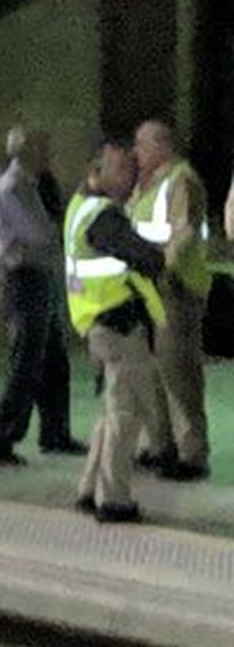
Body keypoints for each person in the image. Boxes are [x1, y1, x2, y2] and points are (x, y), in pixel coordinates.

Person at [65, 142, 167, 522]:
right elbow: (145, 256)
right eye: (122, 169)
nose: (130, 177)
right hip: (118, 325)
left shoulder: (79, 206)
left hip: (97, 323)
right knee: (128, 411)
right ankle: (115, 499)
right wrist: (158, 256)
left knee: (113, 409)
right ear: (99, 170)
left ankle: (89, 488)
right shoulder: (103, 215)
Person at [0, 127, 83, 465]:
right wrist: (59, 227)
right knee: (26, 361)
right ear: (26, 151)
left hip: (40, 277)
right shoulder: (12, 187)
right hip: (22, 279)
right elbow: (38, 232)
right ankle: (1, 438)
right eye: (43, 148)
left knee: (54, 358)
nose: (48, 155)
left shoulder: (36, 184)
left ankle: (55, 432)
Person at [129, 120, 211, 481]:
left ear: (161, 145)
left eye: (142, 145)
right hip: (149, 291)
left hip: (174, 290)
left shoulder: (181, 180)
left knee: (178, 372)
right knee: (154, 371)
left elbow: (184, 232)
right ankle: (160, 444)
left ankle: (192, 453)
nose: (136, 153)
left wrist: (162, 269)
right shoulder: (147, 184)